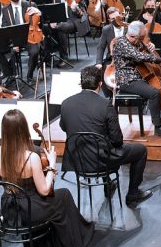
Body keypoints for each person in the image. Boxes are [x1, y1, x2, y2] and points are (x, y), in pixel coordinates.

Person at [0, 109, 95, 247]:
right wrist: (52, 166)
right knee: (64, 195)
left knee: (61, 196)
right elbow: (44, 190)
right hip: (31, 209)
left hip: (12, 210)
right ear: (23, 129)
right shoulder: (30, 157)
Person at [60, 65, 153, 207]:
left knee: (99, 143)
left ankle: (108, 184)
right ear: (100, 84)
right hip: (100, 161)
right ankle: (133, 194)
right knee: (140, 151)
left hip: (77, 160)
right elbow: (117, 140)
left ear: (81, 83)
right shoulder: (105, 105)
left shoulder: (66, 103)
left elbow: (64, 127)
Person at [112, 21, 161, 138]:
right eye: (141, 38)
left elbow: (145, 49)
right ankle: (158, 127)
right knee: (154, 93)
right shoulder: (122, 43)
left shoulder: (136, 41)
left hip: (140, 76)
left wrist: (150, 46)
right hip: (127, 80)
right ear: (132, 36)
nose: (142, 40)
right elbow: (139, 56)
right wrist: (159, 60)